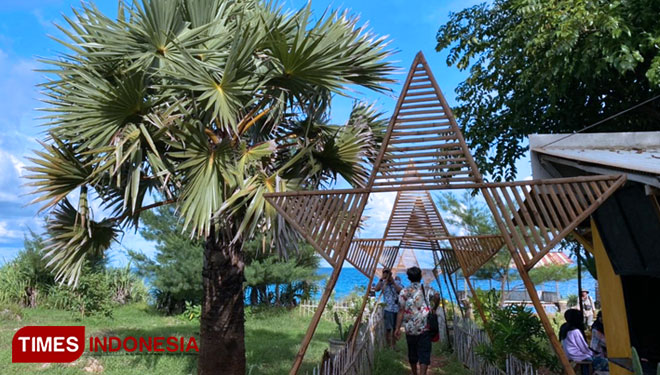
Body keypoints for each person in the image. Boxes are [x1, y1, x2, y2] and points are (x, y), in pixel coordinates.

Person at [394, 266, 440, 375]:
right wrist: (434, 308)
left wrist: (397, 328)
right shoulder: (427, 289)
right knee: (424, 353)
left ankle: (415, 373)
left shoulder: (404, 291)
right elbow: (437, 296)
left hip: (410, 329)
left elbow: (401, 310)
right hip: (425, 328)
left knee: (412, 353)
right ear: (420, 276)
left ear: (409, 278)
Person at [559, 309, 607, 374]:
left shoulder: (564, 328)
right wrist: (594, 354)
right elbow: (584, 348)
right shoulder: (575, 331)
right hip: (578, 356)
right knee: (607, 363)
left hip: (569, 355)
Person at [373, 268, 403, 349]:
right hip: (388, 308)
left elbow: (401, 291)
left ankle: (394, 344)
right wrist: (382, 279)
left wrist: (393, 282)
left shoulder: (397, 282)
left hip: (396, 308)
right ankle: (388, 345)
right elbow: (376, 289)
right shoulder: (383, 283)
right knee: (388, 329)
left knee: (395, 328)